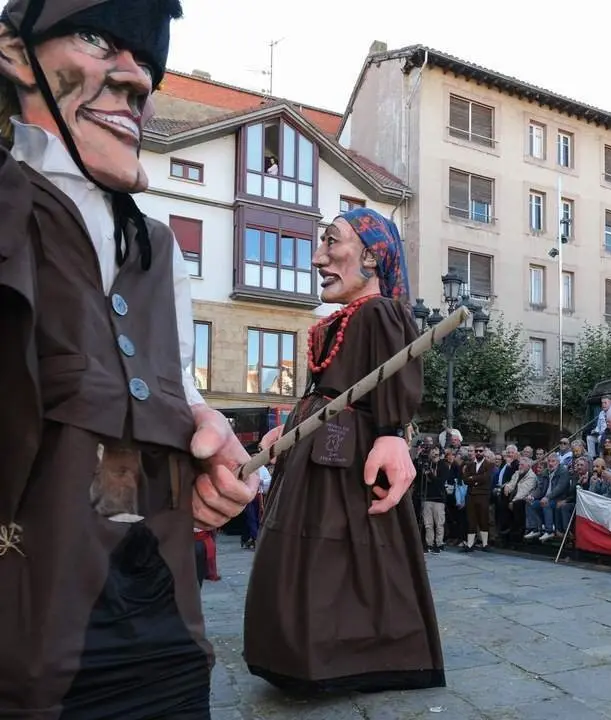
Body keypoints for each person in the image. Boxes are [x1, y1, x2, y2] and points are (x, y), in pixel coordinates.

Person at [0, 2, 258, 717]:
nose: (135, 77)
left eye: (148, 57)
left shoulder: (157, 246)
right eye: (96, 38)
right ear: (16, 55)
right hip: (29, 637)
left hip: (162, 616)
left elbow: (162, 384)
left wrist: (205, 432)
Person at [243, 207, 444, 694]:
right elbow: (327, 393)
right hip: (320, 451)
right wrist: (283, 432)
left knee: (344, 553)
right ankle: (312, 653)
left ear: (372, 257)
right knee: (319, 553)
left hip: (350, 458)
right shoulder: (346, 318)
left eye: (332, 243)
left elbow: (396, 381)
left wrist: (394, 434)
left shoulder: (381, 312)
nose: (319, 257)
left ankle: (352, 654)